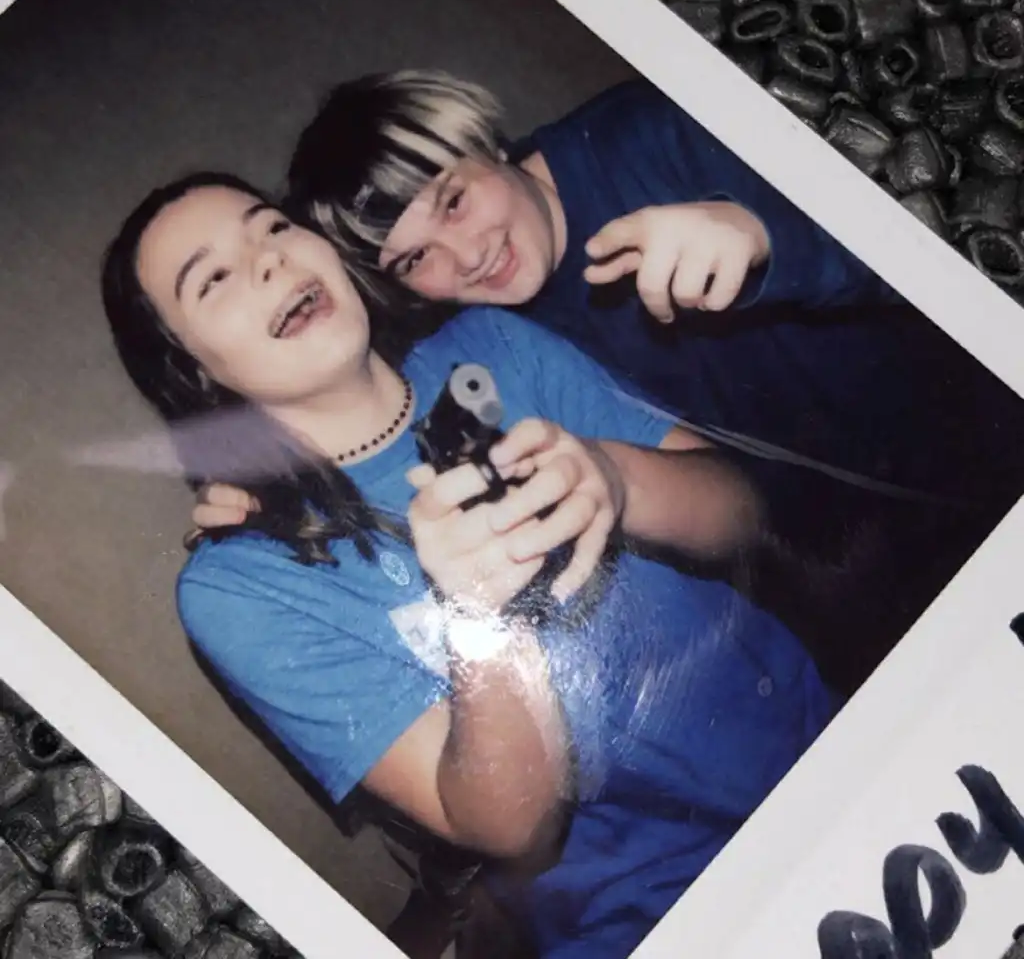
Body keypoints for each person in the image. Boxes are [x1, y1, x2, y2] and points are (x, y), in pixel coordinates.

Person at [101, 173, 837, 959]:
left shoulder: (495, 348)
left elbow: (741, 518)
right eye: (214, 278)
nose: (268, 260)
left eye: (273, 227)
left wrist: (614, 477)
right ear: (194, 370)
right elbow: (511, 827)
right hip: (657, 906)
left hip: (818, 747)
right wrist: (480, 618)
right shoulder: (243, 588)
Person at [194, 72, 1024, 691]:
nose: (465, 256)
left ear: (485, 142)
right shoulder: (482, 335)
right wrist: (273, 477)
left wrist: (765, 232)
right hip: (869, 571)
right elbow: (371, 400)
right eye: (414, 259)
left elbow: (957, 219)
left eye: (453, 201)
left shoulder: (656, 130)